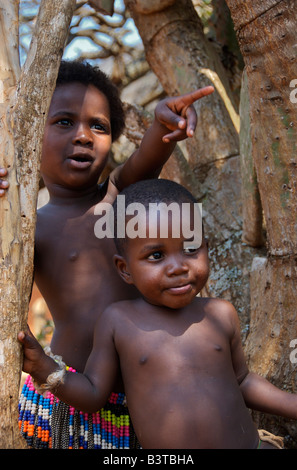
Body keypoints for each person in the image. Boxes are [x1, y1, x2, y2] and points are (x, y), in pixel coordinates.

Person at [1, 60, 214, 449]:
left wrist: (162, 126)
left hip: (148, 403)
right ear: (29, 133)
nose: (83, 135)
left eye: (98, 126)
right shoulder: (26, 226)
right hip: (68, 396)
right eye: (64, 122)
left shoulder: (118, 200)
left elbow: (145, 160)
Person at [19, 179, 295, 449]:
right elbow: (93, 394)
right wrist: (43, 367)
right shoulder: (119, 322)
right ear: (125, 269)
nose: (178, 267)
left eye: (190, 249)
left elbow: (243, 381)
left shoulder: (220, 314)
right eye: (156, 256)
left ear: (206, 248)